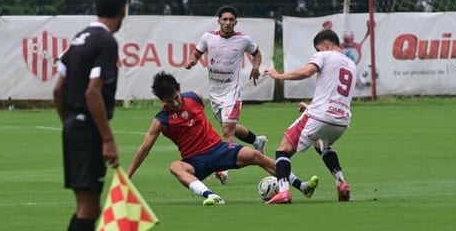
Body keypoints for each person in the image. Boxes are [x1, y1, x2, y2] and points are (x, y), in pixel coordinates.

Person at [127, 71, 317, 205]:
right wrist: (128, 176)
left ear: (179, 89)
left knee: (255, 155)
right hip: (195, 162)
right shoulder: (161, 120)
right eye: (170, 102)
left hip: (219, 150)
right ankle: (210, 196)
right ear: (162, 101)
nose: (176, 103)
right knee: (175, 167)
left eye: (177, 97)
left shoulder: (194, 97)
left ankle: (302, 186)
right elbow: (144, 150)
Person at [52, 0, 128, 231]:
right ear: (123, 9)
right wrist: (107, 138)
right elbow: (93, 91)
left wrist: (69, 123)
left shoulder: (79, 38)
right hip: (89, 130)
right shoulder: (105, 41)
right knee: (88, 208)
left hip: (73, 125)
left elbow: (58, 89)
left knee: (83, 207)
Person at [263, 28, 356, 204]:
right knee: (321, 145)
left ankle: (283, 192)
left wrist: (279, 76)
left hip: (321, 116)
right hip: (341, 121)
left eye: (318, 49)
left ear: (326, 44)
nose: (317, 52)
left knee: (283, 150)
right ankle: (341, 182)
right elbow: (335, 92)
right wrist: (311, 107)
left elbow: (306, 72)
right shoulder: (351, 64)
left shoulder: (324, 55)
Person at [184, 6, 268, 184]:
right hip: (215, 92)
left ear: (236, 22)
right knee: (229, 126)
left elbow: (256, 53)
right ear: (219, 21)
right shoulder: (208, 37)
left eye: (231, 20)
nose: (228, 22)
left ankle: (223, 170)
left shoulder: (243, 39)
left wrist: (255, 66)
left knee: (227, 130)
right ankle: (257, 140)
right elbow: (197, 53)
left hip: (233, 91)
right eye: (225, 19)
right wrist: (192, 61)